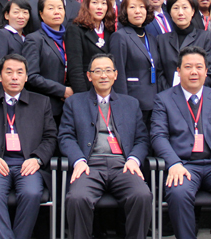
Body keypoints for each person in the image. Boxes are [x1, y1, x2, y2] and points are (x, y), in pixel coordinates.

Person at [150, 46, 211, 239]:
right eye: (188, 67)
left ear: (206, 71)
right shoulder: (163, 100)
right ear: (178, 71)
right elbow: (158, 136)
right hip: (183, 165)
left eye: (199, 67)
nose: (194, 72)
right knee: (178, 194)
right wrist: (174, 163)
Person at [59, 53, 152, 239]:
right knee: (77, 198)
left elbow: (142, 139)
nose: (103, 75)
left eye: (108, 70)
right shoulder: (74, 103)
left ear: (115, 75)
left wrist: (134, 160)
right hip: (89, 165)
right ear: (89, 76)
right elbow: (65, 136)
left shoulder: (131, 104)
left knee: (142, 195)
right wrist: (78, 161)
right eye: (98, 71)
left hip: (123, 165)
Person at [0, 53, 57, 239]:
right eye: (9, 72)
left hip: (27, 164)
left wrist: (37, 159)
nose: (14, 77)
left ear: (26, 77)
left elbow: (50, 137)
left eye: (20, 72)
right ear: (0, 77)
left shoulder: (41, 103)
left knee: (32, 193)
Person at [22, 0, 73, 124]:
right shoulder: (34, 39)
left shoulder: (69, 38)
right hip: (44, 106)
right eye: (51, 8)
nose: (57, 12)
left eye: (60, 8)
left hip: (68, 107)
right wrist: (62, 91)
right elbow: (31, 76)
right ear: (41, 14)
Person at [110, 0, 160, 124]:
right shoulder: (120, 36)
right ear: (125, 11)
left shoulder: (151, 38)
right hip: (133, 102)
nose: (138, 11)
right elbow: (118, 74)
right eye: (132, 7)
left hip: (153, 101)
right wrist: (122, 103)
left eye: (142, 7)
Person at [156, 0, 211, 91]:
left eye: (185, 7)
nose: (180, 13)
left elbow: (209, 70)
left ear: (193, 11)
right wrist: (171, 93)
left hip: (197, 93)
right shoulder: (161, 40)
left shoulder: (205, 37)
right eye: (176, 8)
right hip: (168, 95)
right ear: (170, 13)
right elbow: (159, 72)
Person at [65, 0, 116, 93]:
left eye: (103, 3)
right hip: (87, 89)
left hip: (107, 90)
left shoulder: (110, 30)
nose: (99, 7)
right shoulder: (76, 30)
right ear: (86, 5)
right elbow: (75, 69)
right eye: (95, 2)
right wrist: (82, 95)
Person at [0, 0, 34, 95]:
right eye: (16, 12)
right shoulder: (0, 35)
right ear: (6, 15)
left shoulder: (27, 37)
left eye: (25, 12)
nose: (21, 16)